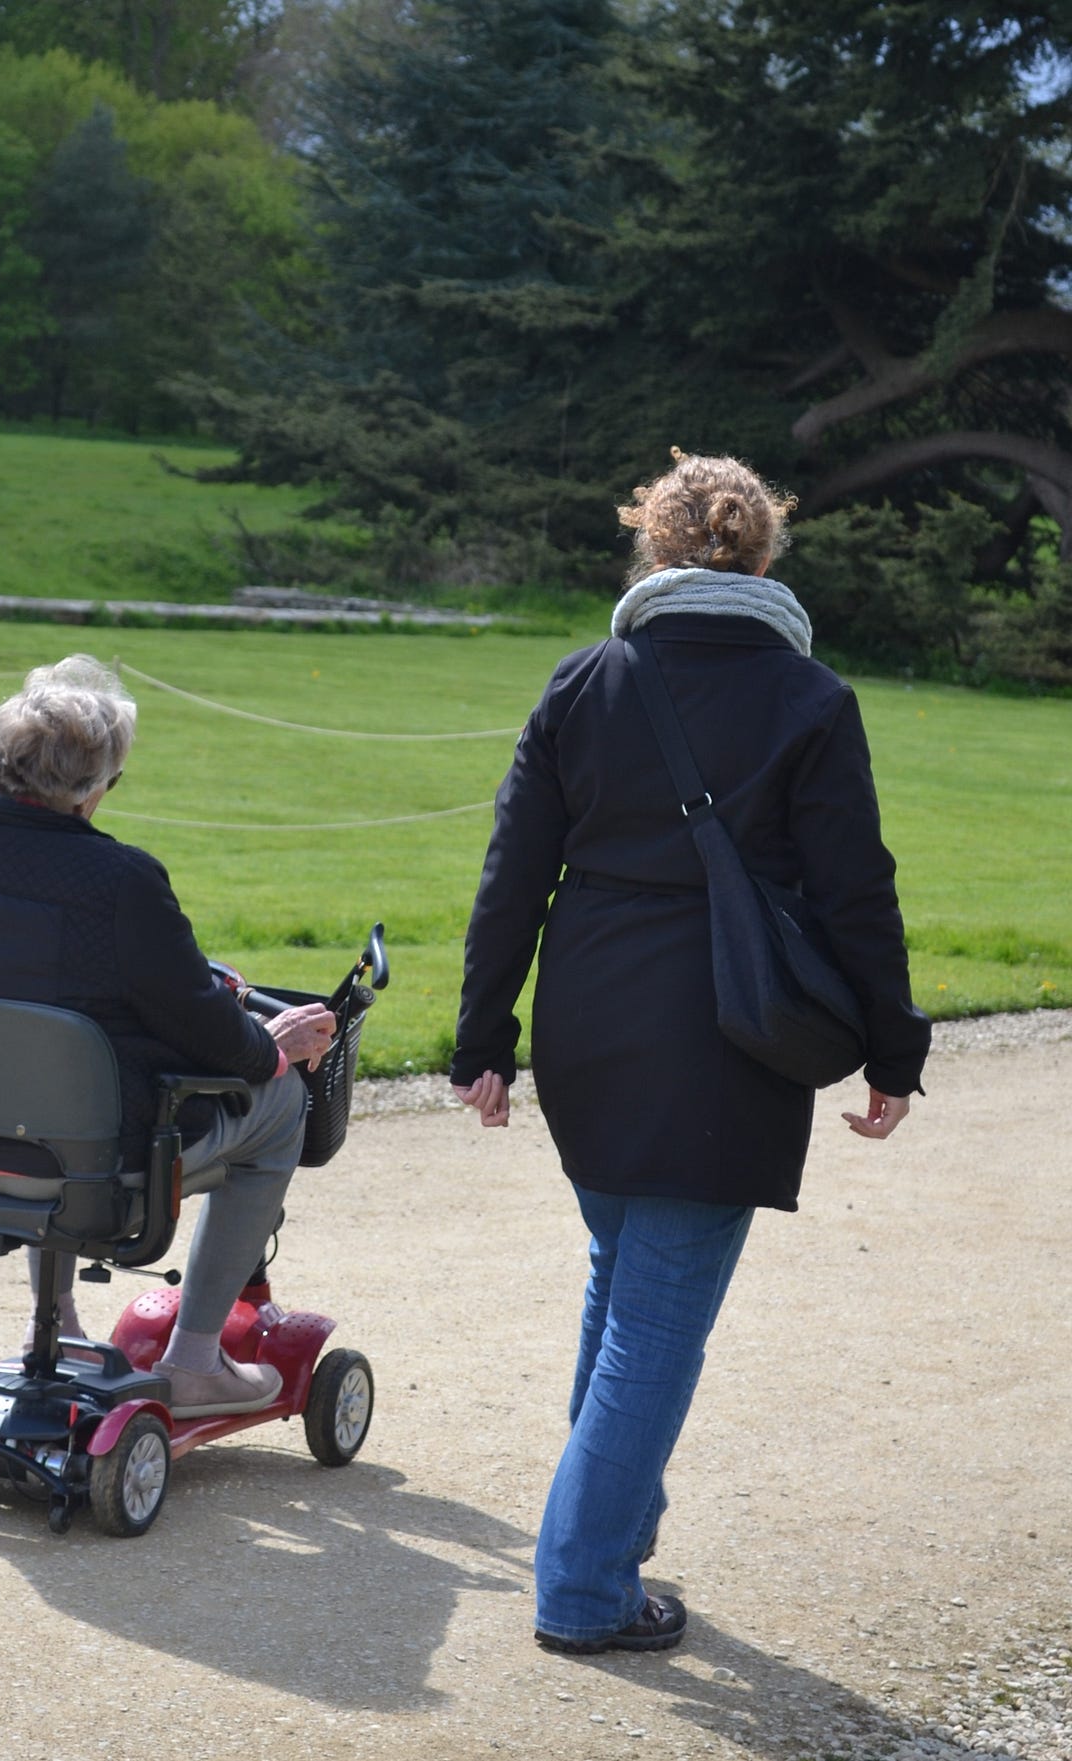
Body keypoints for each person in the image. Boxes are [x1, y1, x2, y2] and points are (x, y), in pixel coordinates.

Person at [450, 449, 931, 1656]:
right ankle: (584, 1588)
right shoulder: (812, 699)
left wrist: (481, 1038)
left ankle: (608, 1541)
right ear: (762, 554)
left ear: (651, 552)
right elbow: (854, 894)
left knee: (623, 1288)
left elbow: (512, 880)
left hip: (589, 1023)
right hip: (727, 1034)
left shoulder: (582, 682)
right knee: (652, 1323)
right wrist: (892, 1048)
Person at [0, 655, 335, 1418]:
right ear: (94, 789)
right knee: (279, 1100)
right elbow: (214, 1037)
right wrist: (271, 1043)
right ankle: (192, 1358)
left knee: (37, 1083)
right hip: (92, 1165)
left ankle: (51, 1324)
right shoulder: (120, 880)